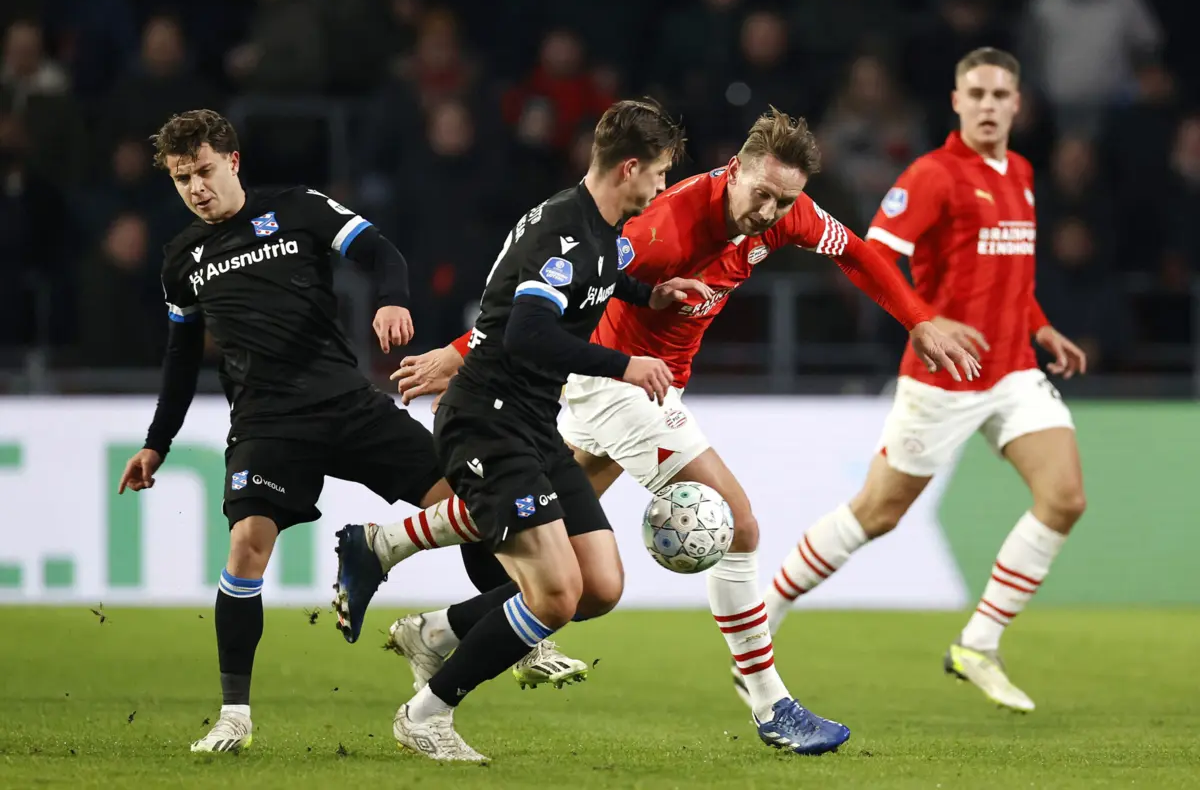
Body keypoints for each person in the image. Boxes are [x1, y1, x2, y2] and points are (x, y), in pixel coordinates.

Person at [341, 105, 979, 754]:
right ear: (734, 171)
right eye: (761, 194)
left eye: (784, 202)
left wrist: (918, 320)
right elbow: (552, 285)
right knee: (739, 525)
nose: (770, 212)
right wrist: (460, 349)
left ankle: (426, 610)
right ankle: (769, 703)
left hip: (643, 387)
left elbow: (860, 255)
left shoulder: (789, 214)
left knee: (584, 581)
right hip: (619, 383)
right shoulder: (662, 227)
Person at [116, 109, 486, 754]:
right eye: (181, 179)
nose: (195, 187)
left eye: (203, 171)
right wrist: (158, 442)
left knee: (474, 509)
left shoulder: (296, 208)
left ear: (232, 161)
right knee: (246, 549)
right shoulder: (183, 259)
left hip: (348, 403)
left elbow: (380, 250)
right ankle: (234, 716)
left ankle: (500, 623)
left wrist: (393, 298)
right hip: (268, 423)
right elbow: (181, 360)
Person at [760, 48, 1088, 713]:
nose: (990, 105)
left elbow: (1008, 273)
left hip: (1013, 371)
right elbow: (874, 256)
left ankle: (979, 642)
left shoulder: (1021, 172)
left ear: (1018, 104)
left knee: (1065, 497)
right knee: (876, 513)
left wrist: (1041, 324)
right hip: (943, 378)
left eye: (1001, 94)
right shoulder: (933, 175)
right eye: (978, 94)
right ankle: (763, 613)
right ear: (957, 101)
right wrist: (924, 321)